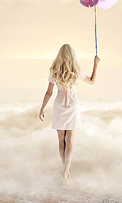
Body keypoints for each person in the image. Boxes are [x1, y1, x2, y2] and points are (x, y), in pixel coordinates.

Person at [38, 44, 100, 184]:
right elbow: (92, 81)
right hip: (72, 106)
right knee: (70, 140)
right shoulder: (76, 69)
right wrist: (95, 64)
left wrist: (42, 108)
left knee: (61, 140)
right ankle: (66, 171)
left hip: (59, 106)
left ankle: (65, 170)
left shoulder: (55, 70)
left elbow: (49, 92)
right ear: (72, 55)